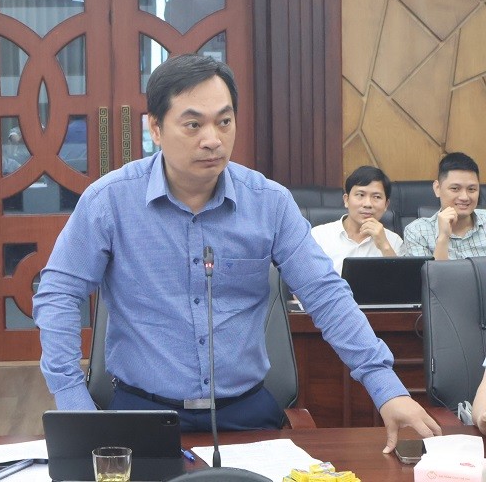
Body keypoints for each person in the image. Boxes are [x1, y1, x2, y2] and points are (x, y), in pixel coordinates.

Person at [33, 54, 440, 452]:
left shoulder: (268, 202)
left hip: (246, 415)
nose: (212, 139)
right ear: (155, 128)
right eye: (193, 124)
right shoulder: (109, 201)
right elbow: (59, 295)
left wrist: (386, 387)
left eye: (224, 122)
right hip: (141, 414)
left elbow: (326, 294)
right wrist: (74, 403)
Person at [310, 166, 403, 274]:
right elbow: (304, 280)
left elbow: (401, 283)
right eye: (360, 195)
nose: (367, 204)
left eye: (376, 197)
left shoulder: (394, 241)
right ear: (346, 200)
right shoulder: (318, 236)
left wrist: (385, 246)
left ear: (386, 205)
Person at [402, 152, 486, 260]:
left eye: (471, 189)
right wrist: (443, 237)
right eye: (455, 188)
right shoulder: (417, 232)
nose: (464, 197)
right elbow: (431, 271)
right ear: (437, 188)